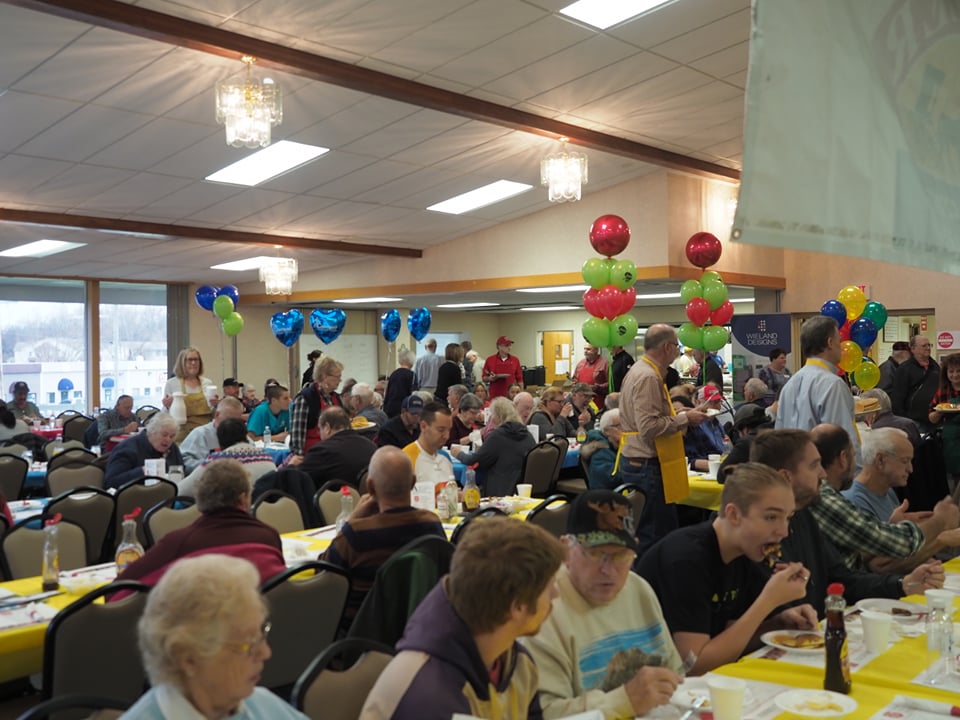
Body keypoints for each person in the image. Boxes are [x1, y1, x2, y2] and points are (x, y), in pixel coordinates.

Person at [361, 517, 564, 720]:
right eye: (549, 586)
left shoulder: (516, 662)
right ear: (517, 607)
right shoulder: (427, 698)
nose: (556, 594)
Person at [637, 463, 816, 675]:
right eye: (771, 517)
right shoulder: (686, 558)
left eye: (788, 518)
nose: (784, 531)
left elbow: (728, 642)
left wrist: (776, 623)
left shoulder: (745, 553)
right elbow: (693, 666)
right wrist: (768, 601)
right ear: (733, 515)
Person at [524, 490, 683, 719]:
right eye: (596, 554)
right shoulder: (543, 608)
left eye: (621, 556)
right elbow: (545, 714)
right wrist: (624, 701)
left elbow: (675, 674)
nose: (608, 570)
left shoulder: (639, 589)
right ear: (565, 550)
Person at [749, 429, 943, 615]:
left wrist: (904, 584)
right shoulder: (755, 535)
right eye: (814, 466)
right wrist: (940, 523)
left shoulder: (803, 514)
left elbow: (842, 578)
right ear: (785, 477)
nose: (823, 474)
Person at [121, 554, 306, 719]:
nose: (265, 653)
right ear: (188, 659)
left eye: (261, 633)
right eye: (249, 643)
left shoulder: (261, 705)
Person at [324, 447, 445, 631]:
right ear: (413, 482)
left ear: (370, 487)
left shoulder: (355, 535)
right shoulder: (431, 524)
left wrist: (352, 520)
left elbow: (324, 575)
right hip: (420, 629)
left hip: (361, 634)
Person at [810, 424, 959, 573]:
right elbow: (883, 561)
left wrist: (894, 527)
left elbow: (879, 547)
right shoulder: (848, 500)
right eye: (905, 460)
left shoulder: (887, 491)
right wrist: (940, 526)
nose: (911, 469)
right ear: (880, 460)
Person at [117, 458, 285, 587]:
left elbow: (121, 586)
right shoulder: (268, 537)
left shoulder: (178, 543)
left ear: (199, 497)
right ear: (243, 498)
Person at [620, 324, 708, 555]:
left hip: (641, 462)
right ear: (668, 347)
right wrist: (685, 419)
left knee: (652, 532)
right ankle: (650, 577)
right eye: (677, 346)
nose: (678, 351)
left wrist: (679, 415)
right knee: (654, 535)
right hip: (646, 464)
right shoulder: (648, 376)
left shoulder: (641, 370)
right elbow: (649, 427)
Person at [775, 315, 861, 465]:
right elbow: (843, 440)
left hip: (794, 469)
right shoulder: (832, 384)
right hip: (825, 471)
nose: (841, 347)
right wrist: (857, 471)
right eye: (839, 341)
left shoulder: (790, 385)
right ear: (830, 343)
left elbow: (779, 435)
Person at [453, 397, 535, 496]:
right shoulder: (528, 436)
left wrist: (459, 454)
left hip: (498, 490)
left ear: (498, 416)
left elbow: (474, 462)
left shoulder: (498, 436)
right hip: (522, 490)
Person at [178, 418, 277, 497]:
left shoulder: (218, 462)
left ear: (219, 440)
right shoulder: (266, 457)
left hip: (232, 513)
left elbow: (181, 491)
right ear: (246, 436)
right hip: (263, 512)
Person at [294, 407, 376, 490]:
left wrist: (291, 466)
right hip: (368, 496)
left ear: (327, 427)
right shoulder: (371, 446)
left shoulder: (321, 451)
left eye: (320, 429)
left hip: (336, 497)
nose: (319, 433)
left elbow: (297, 481)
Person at [104, 413, 185, 490]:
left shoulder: (172, 448)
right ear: (152, 432)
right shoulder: (127, 449)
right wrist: (141, 471)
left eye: (172, 436)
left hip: (169, 494)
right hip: (135, 497)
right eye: (164, 435)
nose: (168, 440)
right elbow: (110, 483)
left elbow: (182, 472)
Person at [289, 356, 344, 459]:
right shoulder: (305, 398)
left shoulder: (336, 398)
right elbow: (297, 434)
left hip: (335, 453)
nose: (340, 380)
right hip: (313, 455)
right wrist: (299, 458)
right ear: (324, 376)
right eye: (337, 376)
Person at [162, 347, 217, 442]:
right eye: (190, 360)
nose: (193, 363)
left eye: (196, 360)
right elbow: (165, 415)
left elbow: (213, 413)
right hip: (182, 435)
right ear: (182, 363)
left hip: (205, 434)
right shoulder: (172, 383)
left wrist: (216, 405)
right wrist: (167, 406)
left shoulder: (207, 383)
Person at [178, 396, 245, 474]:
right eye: (228, 420)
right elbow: (182, 460)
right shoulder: (200, 434)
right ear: (217, 415)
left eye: (237, 421)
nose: (232, 425)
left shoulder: (239, 434)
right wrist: (210, 465)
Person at [892, 334, 940, 431]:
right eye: (924, 346)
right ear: (913, 349)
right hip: (914, 422)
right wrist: (905, 422)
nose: (928, 348)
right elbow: (897, 399)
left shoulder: (935, 367)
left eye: (929, 345)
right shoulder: (904, 369)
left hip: (934, 419)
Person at [928, 353, 960, 497]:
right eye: (951, 371)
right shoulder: (943, 392)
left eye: (958, 371)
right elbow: (932, 418)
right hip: (951, 442)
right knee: (953, 480)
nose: (955, 375)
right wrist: (940, 411)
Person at [402, 402, 454, 487]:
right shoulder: (406, 460)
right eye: (441, 430)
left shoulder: (445, 459)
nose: (447, 436)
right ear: (424, 426)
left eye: (449, 430)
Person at [673, 396, 725, 472]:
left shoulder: (697, 430)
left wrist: (711, 461)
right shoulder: (670, 437)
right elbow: (674, 461)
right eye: (674, 411)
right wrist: (695, 463)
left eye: (682, 412)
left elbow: (714, 451)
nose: (678, 415)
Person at [581, 409, 623, 490]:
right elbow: (610, 478)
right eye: (619, 426)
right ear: (607, 431)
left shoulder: (615, 445)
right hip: (609, 494)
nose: (625, 429)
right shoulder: (600, 450)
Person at [384, 349, 415, 417]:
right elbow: (413, 393)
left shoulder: (394, 374)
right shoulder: (411, 375)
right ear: (412, 361)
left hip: (390, 408)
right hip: (403, 410)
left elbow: (388, 393)